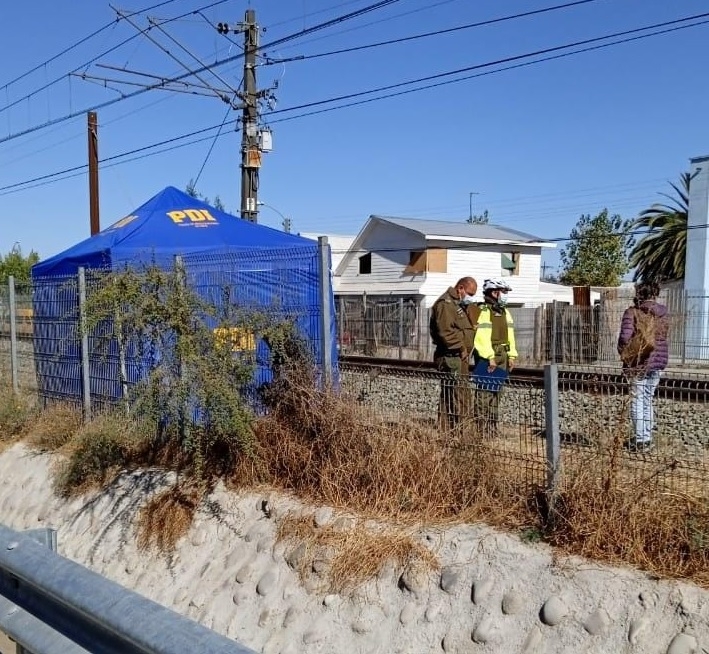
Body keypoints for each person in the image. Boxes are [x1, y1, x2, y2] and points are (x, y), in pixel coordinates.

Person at [617, 281, 669, 453]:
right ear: (655, 294)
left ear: (639, 293)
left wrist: (624, 352)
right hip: (657, 362)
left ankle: (640, 441)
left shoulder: (632, 312)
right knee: (647, 400)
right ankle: (646, 438)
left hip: (638, 362)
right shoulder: (663, 313)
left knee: (637, 400)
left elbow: (625, 338)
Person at [468, 278, 518, 437]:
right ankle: (481, 429)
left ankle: (492, 427)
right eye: (503, 292)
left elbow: (510, 335)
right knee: (484, 393)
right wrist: (490, 357)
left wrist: (511, 355)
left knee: (497, 392)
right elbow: (481, 338)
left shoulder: (504, 311)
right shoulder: (484, 311)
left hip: (502, 353)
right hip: (488, 355)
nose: (504, 295)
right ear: (494, 292)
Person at [429, 277, 478, 430]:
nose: (470, 297)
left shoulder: (457, 304)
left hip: (458, 357)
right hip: (452, 356)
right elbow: (445, 331)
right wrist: (461, 348)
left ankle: (447, 428)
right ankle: (463, 431)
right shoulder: (446, 304)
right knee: (460, 393)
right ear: (460, 288)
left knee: (452, 392)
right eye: (469, 293)